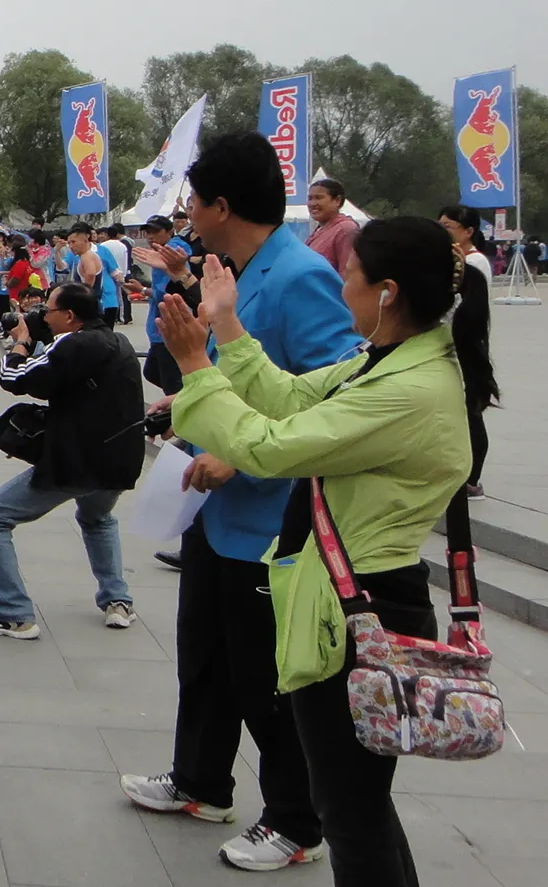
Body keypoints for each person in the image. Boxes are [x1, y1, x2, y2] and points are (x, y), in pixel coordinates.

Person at [154, 217, 493, 886]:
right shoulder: (391, 360)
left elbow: (269, 448)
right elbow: (284, 398)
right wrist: (224, 326)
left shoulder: (407, 389)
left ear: (387, 291)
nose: (342, 288)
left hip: (363, 612)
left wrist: (196, 366)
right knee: (356, 803)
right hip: (350, 600)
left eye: (350, 275)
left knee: (351, 814)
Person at [120, 133, 362, 874]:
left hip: (270, 519)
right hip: (212, 514)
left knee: (268, 678)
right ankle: (199, 781)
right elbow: (228, 368)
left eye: (194, 200)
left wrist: (237, 455)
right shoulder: (238, 269)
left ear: (223, 205)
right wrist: (186, 401)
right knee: (207, 657)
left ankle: (296, 820)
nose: (186, 212)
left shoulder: (299, 276)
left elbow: (336, 396)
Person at [0, 282, 142, 638]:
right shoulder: (117, 341)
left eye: (47, 310)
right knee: (97, 518)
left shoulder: (73, 343)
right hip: (120, 459)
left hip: (79, 460)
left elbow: (16, 379)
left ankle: (12, 613)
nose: (42, 316)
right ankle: (117, 600)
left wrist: (20, 341)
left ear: (69, 316)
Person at [438, 205, 495, 500]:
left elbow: (472, 308)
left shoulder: (475, 262)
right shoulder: (452, 259)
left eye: (449, 226)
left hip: (465, 342)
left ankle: (472, 479)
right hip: (451, 342)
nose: (443, 230)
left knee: (471, 411)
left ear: (468, 231)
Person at [133, 215, 192, 396]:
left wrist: (143, 290)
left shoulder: (171, 252)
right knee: (152, 372)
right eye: (148, 232)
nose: (150, 236)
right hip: (161, 325)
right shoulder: (163, 250)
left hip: (168, 326)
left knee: (170, 382)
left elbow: (169, 292)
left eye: (156, 232)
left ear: (169, 231)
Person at [65, 223, 121, 326]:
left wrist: (83, 299)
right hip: (96, 304)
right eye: (69, 243)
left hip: (95, 306)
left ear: (85, 239)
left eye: (73, 242)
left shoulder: (87, 256)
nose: (71, 246)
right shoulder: (85, 256)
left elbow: (90, 274)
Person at [305, 179, 359, 273]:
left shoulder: (345, 229)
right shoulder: (319, 230)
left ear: (337, 200)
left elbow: (348, 273)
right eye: (310, 198)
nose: (312, 203)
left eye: (319, 198)